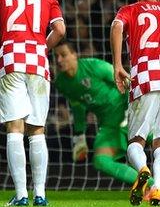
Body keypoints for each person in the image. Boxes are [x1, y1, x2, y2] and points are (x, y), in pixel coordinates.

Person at [0, 0, 66, 206]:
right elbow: (61, 30)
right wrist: (43, 47)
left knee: (14, 128)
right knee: (37, 129)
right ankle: (40, 194)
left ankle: (21, 195)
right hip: (38, 61)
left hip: (10, 59)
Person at [53, 41, 154, 187]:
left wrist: (131, 107)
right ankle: (151, 185)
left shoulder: (94, 66)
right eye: (56, 56)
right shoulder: (62, 83)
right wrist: (79, 135)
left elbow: (125, 82)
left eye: (63, 55)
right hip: (108, 125)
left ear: (74, 55)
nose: (59, 60)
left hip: (127, 113)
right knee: (101, 160)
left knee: (154, 139)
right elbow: (78, 107)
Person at [110, 0, 160, 206]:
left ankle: (142, 169)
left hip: (144, 76)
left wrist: (118, 64)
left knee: (136, 141)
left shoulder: (129, 10)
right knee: (159, 142)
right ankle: (158, 190)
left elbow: (116, 26)